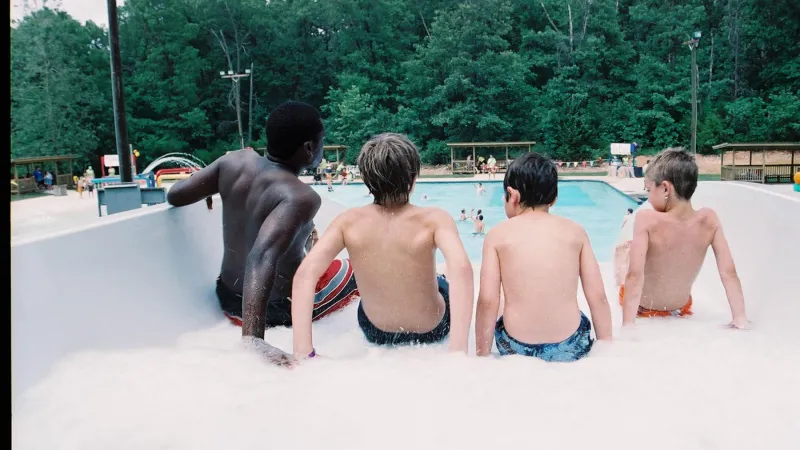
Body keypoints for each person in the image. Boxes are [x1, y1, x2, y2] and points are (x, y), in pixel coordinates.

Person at [167, 101, 359, 366]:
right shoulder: (300, 196)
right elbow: (261, 256)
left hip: (226, 294)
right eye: (322, 141)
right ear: (309, 148)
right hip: (273, 309)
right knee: (355, 268)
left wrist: (207, 184)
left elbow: (175, 195)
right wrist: (253, 339)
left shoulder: (233, 161)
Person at [291, 133, 474, 358]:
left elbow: (305, 275)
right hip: (432, 329)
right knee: (442, 281)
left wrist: (304, 352)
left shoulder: (348, 222)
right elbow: (462, 269)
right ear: (414, 177)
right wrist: (458, 351)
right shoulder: (435, 219)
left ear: (365, 180)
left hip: (377, 330)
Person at [475, 152, 612, 362]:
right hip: (570, 345)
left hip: (515, 346)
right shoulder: (576, 232)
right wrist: (606, 345)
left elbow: (487, 300)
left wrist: (481, 356)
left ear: (512, 196)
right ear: (554, 198)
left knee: (503, 305)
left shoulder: (497, 235)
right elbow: (598, 296)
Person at [621, 149, 749, 328]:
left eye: (648, 190)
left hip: (643, 309)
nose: (648, 198)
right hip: (681, 308)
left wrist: (628, 326)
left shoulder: (647, 219)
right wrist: (740, 319)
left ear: (665, 188)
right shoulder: (709, 219)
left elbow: (634, 276)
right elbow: (729, 273)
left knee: (623, 253)